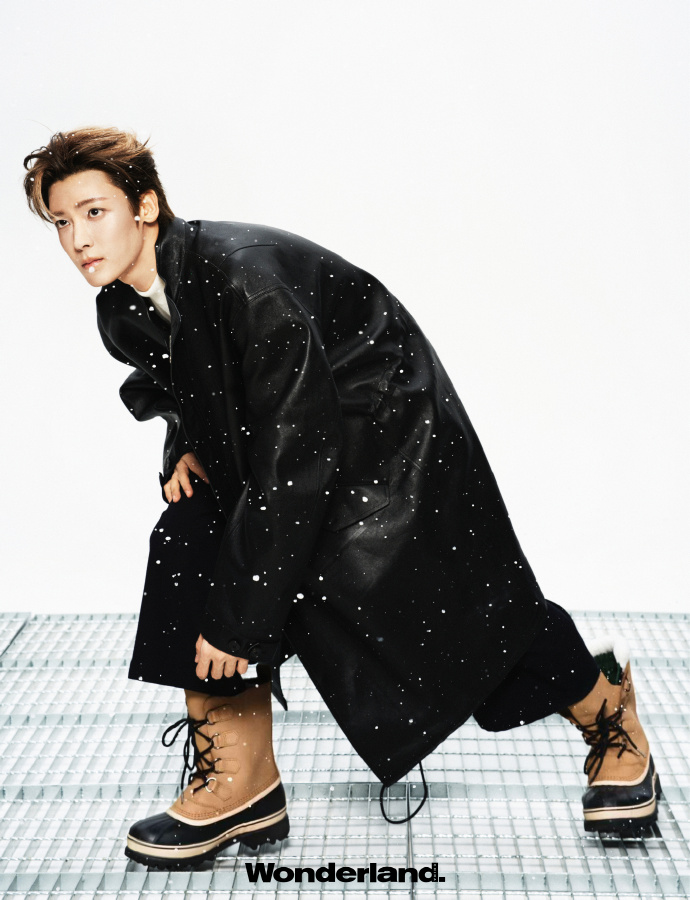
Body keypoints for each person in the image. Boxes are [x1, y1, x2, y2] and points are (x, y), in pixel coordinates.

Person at [22, 127, 661, 869]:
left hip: (383, 438)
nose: (77, 239)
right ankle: (240, 779)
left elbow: (297, 456)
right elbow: (176, 379)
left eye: (93, 212)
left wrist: (238, 625)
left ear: (145, 206)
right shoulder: (122, 304)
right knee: (189, 534)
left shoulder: (244, 278)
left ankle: (606, 706)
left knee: (459, 612)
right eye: (61, 222)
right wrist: (182, 443)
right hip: (289, 437)